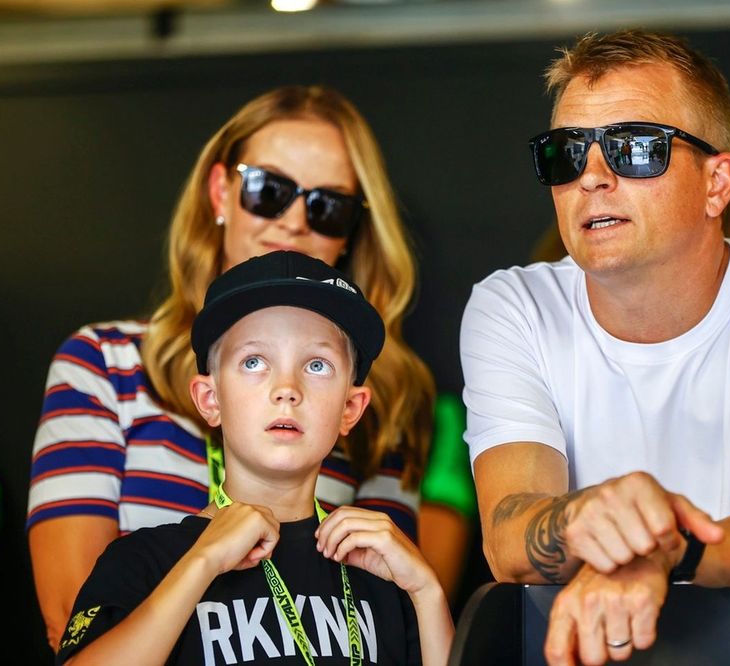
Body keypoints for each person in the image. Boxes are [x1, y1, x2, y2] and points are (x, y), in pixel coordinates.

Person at [460, 30, 730, 665]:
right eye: (565, 154)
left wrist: (666, 552)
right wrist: (605, 526)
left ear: (718, 183)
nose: (593, 178)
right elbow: (509, 536)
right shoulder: (514, 306)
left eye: (635, 148)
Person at [27, 85, 449, 651]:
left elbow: (384, 616)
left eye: (327, 206)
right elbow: (72, 619)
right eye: (268, 191)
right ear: (222, 192)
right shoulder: (104, 361)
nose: (295, 221)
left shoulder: (386, 393)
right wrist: (199, 563)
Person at [55, 250, 454, 665]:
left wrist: (426, 590)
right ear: (211, 399)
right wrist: (201, 563)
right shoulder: (144, 560)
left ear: (350, 409)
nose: (287, 388)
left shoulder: (380, 570)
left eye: (317, 365)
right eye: (253, 361)